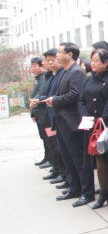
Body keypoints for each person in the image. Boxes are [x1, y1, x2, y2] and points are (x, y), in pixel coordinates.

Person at [78, 48, 108, 210]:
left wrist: (102, 120)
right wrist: (88, 118)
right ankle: (103, 193)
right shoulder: (88, 80)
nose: (93, 64)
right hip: (93, 126)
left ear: (106, 62)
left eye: (96, 61)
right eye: (92, 60)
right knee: (99, 161)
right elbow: (81, 101)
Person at [49, 42, 95, 206]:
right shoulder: (66, 71)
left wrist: (55, 100)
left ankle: (87, 192)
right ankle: (74, 188)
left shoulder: (76, 72)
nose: (57, 55)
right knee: (68, 158)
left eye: (60, 52)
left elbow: (75, 94)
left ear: (69, 54)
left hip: (72, 121)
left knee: (79, 158)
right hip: (62, 120)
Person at [30, 51, 66, 183]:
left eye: (51, 60)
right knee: (51, 144)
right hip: (45, 116)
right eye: (46, 60)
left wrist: (39, 100)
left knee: (56, 145)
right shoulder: (47, 76)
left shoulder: (56, 75)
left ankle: (62, 172)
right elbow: (42, 93)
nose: (48, 63)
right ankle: (57, 169)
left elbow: (50, 95)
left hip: (52, 116)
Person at [29, 57, 50, 168]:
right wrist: (33, 113)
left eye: (34, 66)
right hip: (39, 113)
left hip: (44, 113)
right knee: (44, 137)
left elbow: (42, 95)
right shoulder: (39, 78)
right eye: (31, 66)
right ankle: (47, 157)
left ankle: (50, 159)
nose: (32, 68)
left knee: (49, 139)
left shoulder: (44, 77)